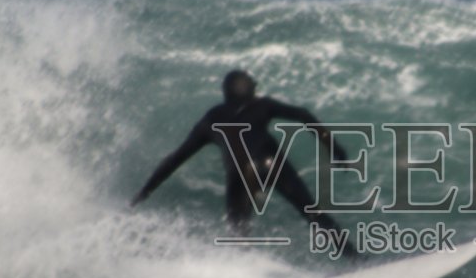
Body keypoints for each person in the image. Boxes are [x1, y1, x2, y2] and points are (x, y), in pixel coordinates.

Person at [130, 70, 355, 251]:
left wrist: (145, 192)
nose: (256, 86)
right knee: (313, 215)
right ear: (247, 90)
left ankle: (246, 275)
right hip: (271, 165)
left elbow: (174, 160)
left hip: (241, 175)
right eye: (252, 83)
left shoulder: (211, 119)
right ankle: (356, 259)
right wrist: (334, 147)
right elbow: (303, 115)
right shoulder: (261, 105)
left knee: (238, 232)